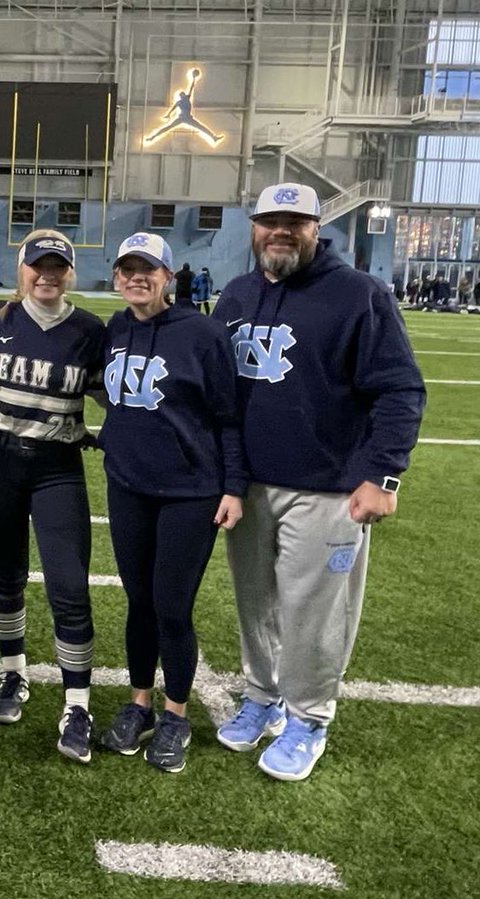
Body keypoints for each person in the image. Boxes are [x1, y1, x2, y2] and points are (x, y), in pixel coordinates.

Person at [211, 183, 425, 781]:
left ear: (314, 228)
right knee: (256, 603)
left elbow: (400, 389)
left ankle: (308, 718)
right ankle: (262, 697)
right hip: (248, 485)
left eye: (294, 222)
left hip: (328, 488)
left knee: (314, 612)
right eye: (270, 221)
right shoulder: (236, 294)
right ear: (254, 227)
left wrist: (382, 475)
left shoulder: (359, 294)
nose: (280, 232)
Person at [96, 233, 246, 774]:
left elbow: (228, 415)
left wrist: (234, 487)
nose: (137, 278)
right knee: (139, 601)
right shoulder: (114, 330)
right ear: (116, 277)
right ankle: (140, 703)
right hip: (129, 485)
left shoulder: (202, 334)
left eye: (148, 269)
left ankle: (176, 714)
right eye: (127, 269)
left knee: (171, 606)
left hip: (190, 491)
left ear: (168, 278)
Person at [0, 229, 106, 761]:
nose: (47, 275)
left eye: (58, 267)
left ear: (70, 272)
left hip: (58, 467)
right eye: (38, 265)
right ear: (21, 268)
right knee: (5, 573)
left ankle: (78, 702)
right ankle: (13, 673)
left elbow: (116, 394)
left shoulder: (91, 330)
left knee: (68, 585)